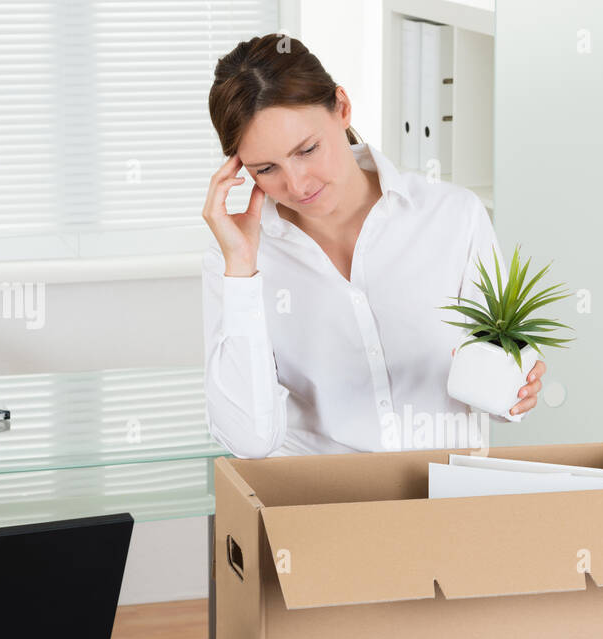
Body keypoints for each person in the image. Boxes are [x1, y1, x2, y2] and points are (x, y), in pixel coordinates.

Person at [201, 34, 546, 458]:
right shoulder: (236, 259)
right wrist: (241, 272)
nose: (296, 183)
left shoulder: (453, 217)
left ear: (342, 109)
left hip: (446, 502)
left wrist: (515, 391)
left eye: (308, 150)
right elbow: (248, 441)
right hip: (320, 508)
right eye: (266, 168)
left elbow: (495, 382)